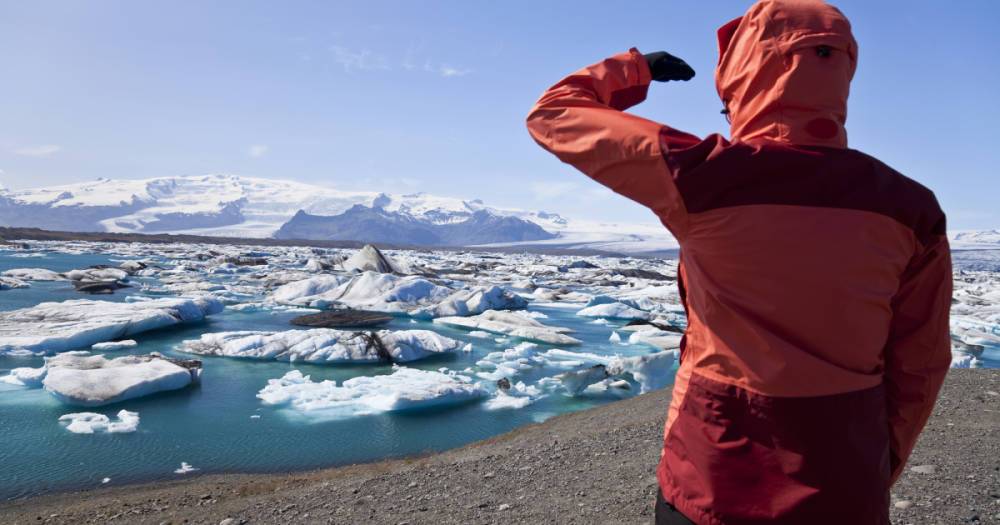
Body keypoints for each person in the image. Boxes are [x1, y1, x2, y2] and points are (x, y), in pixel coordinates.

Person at [526, 0, 952, 523]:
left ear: (743, 77)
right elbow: (921, 362)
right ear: (842, 72)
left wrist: (634, 69)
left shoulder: (703, 174)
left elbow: (554, 114)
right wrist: (873, 463)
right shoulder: (910, 207)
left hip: (713, 468)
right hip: (844, 478)